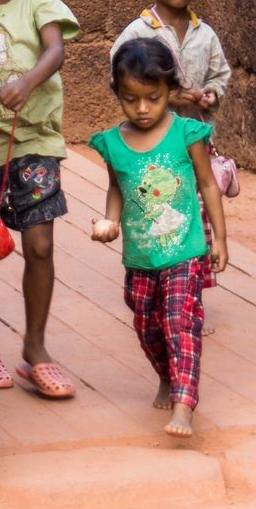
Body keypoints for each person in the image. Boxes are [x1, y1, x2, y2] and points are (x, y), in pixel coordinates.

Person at [90, 37, 229, 436]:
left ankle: (184, 404)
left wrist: (220, 239)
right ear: (118, 94)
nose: (143, 109)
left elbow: (207, 184)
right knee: (147, 326)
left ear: (170, 91)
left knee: (179, 321)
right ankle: (167, 375)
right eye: (131, 99)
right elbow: (117, 187)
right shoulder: (114, 143)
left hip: (184, 250)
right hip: (140, 258)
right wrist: (110, 222)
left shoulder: (186, 134)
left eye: (153, 98)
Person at [0, 0, 79, 398]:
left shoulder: (40, 1)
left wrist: (27, 82)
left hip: (35, 140)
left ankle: (35, 348)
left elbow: (56, 49)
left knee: (39, 246)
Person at [109, 0, 232, 310]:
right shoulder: (137, 32)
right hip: (150, 143)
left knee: (194, 210)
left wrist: (211, 93)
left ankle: (187, 290)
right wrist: (172, 98)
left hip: (192, 137)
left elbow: (221, 74)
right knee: (159, 208)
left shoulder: (204, 34)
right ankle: (157, 278)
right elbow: (119, 78)